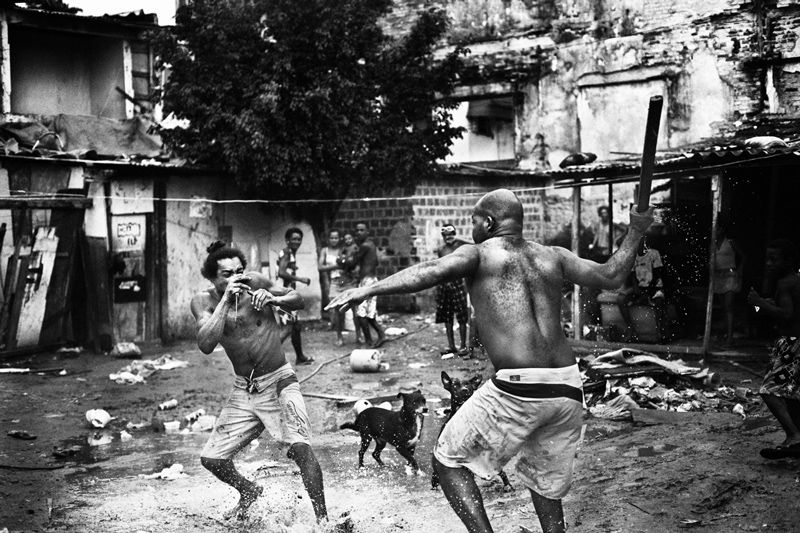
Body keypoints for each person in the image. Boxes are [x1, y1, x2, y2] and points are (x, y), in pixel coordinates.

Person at [327, 189, 653, 533]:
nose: (471, 229)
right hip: (568, 387)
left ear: (488, 222)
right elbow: (611, 275)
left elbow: (433, 269)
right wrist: (636, 230)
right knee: (543, 480)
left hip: (519, 388)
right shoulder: (554, 255)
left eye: (472, 222)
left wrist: (368, 290)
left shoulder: (479, 253)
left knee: (446, 459)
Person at [190, 241, 328, 522]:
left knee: (301, 448)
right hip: (245, 388)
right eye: (226, 274)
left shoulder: (256, 283)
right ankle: (249, 490)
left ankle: (324, 522)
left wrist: (274, 298)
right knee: (213, 459)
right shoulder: (203, 302)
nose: (236, 278)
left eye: (239, 271)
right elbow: (205, 343)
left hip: (279, 381)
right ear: (212, 278)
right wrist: (227, 300)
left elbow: (296, 298)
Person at [747, 239, 800, 459]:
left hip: (793, 342)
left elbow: (786, 315)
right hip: (791, 341)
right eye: (767, 259)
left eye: (774, 259)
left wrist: (759, 302)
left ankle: (795, 436)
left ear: (787, 261)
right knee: (791, 394)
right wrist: (760, 304)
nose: (769, 264)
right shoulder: (792, 282)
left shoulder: (787, 283)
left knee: (769, 390)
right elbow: (771, 311)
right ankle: (796, 440)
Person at [616, 237, 667, 342]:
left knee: (659, 301)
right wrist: (637, 289)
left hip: (654, 287)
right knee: (621, 299)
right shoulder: (633, 256)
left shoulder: (654, 254)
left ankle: (660, 333)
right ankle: (631, 331)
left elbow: (657, 274)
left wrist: (648, 292)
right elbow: (633, 275)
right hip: (640, 288)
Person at [277, 227, 314, 364]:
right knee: (287, 328)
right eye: (294, 239)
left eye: (299, 239)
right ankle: (265, 357)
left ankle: (300, 357)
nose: (297, 241)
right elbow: (281, 272)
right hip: (283, 295)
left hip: (287, 294)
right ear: (287, 241)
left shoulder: (289, 253)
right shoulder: (287, 253)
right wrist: (300, 279)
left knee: (295, 327)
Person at [348, 222, 386, 348]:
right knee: (368, 314)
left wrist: (344, 259)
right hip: (369, 280)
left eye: (361, 230)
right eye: (357, 230)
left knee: (361, 314)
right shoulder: (371, 245)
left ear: (367, 232)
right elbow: (375, 262)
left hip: (367, 281)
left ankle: (370, 340)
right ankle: (380, 335)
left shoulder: (364, 246)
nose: (358, 232)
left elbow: (352, 263)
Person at [436, 224, 470, 356]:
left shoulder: (460, 246)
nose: (448, 237)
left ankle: (462, 346)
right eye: (445, 235)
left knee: (462, 316)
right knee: (447, 316)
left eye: (451, 234)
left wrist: (459, 238)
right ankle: (451, 346)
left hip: (458, 283)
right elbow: (440, 266)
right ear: (442, 237)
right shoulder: (441, 249)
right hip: (445, 284)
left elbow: (474, 243)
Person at [713, 220, 745, 347]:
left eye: (718, 229)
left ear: (723, 230)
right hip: (718, 276)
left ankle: (730, 337)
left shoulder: (730, 242)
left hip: (730, 275)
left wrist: (740, 269)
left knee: (729, 306)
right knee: (724, 307)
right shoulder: (712, 244)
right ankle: (727, 334)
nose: (716, 231)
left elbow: (743, 256)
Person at [318, 229, 343, 329]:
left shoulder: (342, 250)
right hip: (329, 279)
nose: (334, 240)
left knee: (342, 302)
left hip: (342, 279)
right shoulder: (325, 250)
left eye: (336, 238)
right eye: (332, 238)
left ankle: (341, 325)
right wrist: (336, 266)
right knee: (331, 302)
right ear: (328, 239)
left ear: (339, 239)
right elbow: (320, 267)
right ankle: (334, 324)